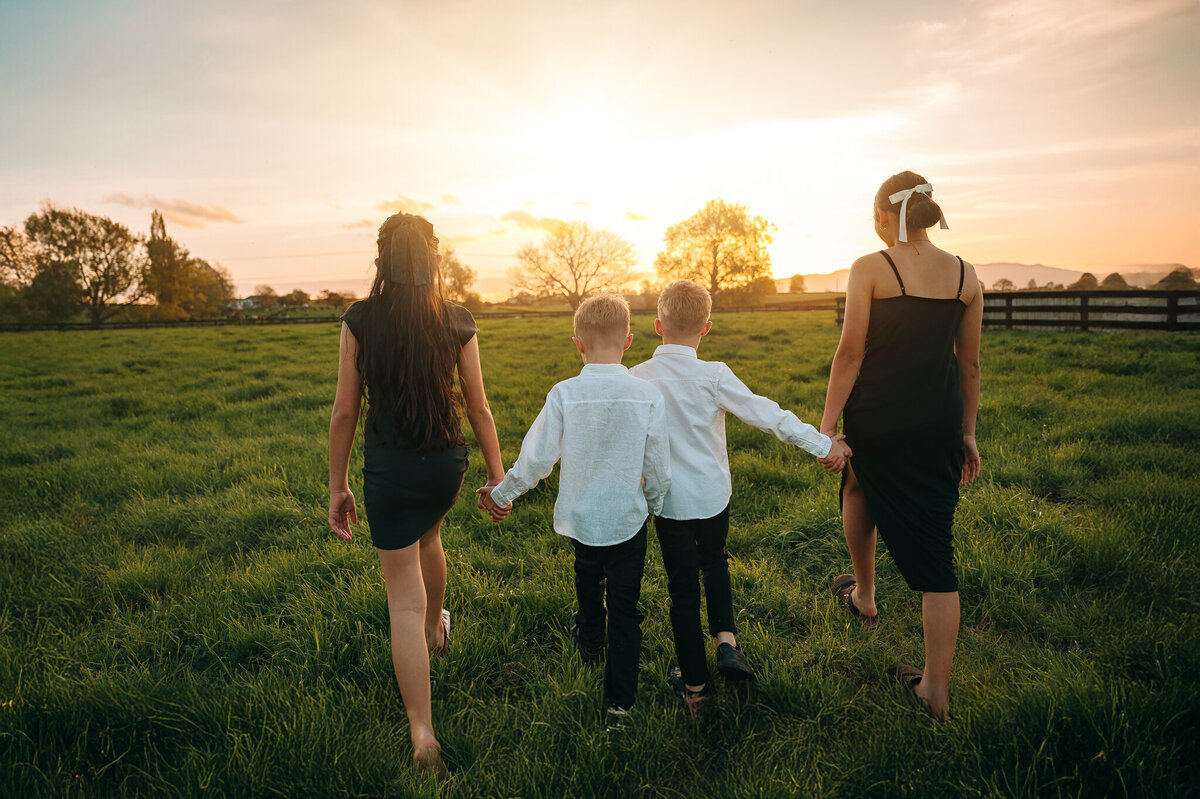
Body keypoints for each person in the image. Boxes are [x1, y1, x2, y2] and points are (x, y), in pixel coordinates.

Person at [327, 212, 505, 778]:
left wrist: (338, 486)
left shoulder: (360, 319)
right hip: (444, 469)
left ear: (381, 260)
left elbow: (345, 410)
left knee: (400, 598)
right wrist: (498, 475)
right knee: (430, 532)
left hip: (390, 472)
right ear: (432, 256)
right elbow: (478, 406)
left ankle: (422, 733)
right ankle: (437, 631)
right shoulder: (456, 319)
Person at [629, 279, 850, 717]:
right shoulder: (715, 375)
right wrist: (825, 446)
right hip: (713, 498)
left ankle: (695, 689)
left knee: (682, 590)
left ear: (657, 326)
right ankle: (727, 642)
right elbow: (770, 415)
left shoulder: (637, 378)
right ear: (706, 328)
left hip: (668, 502)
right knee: (715, 560)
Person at [819, 171, 983, 719]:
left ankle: (864, 594)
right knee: (936, 552)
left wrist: (826, 424)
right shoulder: (967, 276)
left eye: (876, 221)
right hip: (938, 421)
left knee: (860, 484)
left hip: (877, 419)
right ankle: (935, 690)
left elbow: (849, 354)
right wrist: (967, 432)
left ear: (889, 218)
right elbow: (971, 364)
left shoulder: (871, 267)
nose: (876, 230)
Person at [478, 294, 671, 719]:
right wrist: (656, 502)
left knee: (587, 580)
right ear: (629, 341)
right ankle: (620, 703)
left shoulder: (564, 393)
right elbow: (656, 461)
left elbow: (537, 458)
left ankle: (589, 643)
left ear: (578, 344)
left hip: (582, 518)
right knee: (625, 606)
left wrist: (502, 494)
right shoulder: (647, 395)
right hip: (628, 517)